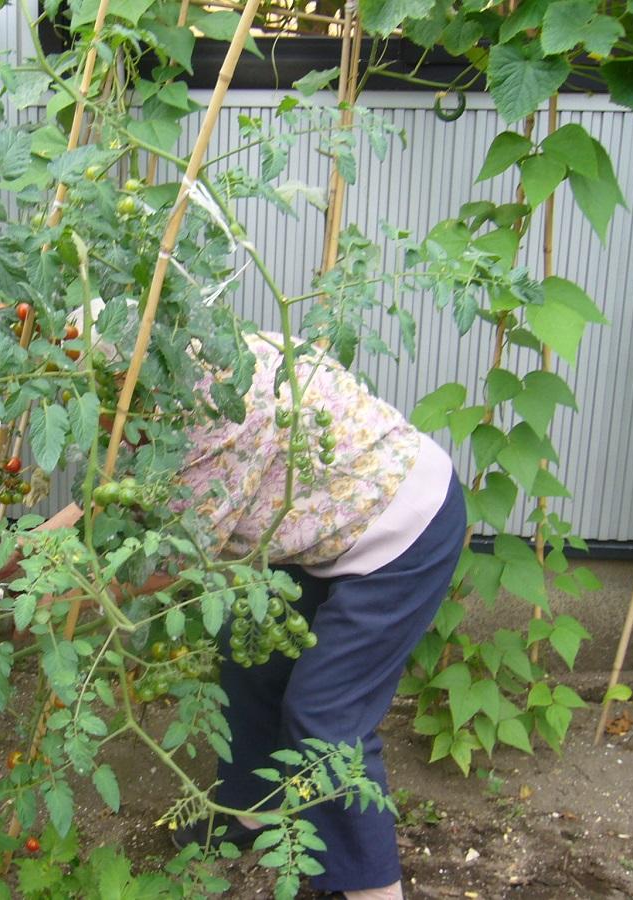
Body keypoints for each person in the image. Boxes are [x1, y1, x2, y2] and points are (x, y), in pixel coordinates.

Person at [164, 332, 467, 900]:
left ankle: (374, 889)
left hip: (404, 529)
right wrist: (24, 552)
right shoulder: (188, 367)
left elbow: (175, 553)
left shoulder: (226, 410)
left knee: (327, 717)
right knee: (249, 644)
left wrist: (48, 583)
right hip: (326, 524)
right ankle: (257, 809)